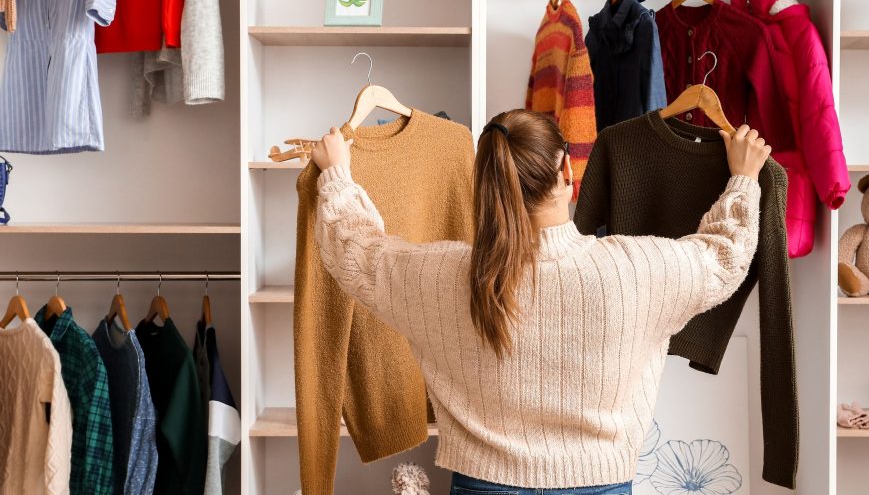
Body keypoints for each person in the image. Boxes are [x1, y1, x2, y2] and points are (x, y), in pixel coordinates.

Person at [310, 109, 771, 495]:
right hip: (602, 484)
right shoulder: (636, 269)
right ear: (567, 172)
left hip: (481, 484)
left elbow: (354, 251)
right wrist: (744, 180)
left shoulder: (441, 276)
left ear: (485, 184)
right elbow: (725, 255)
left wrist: (335, 176)